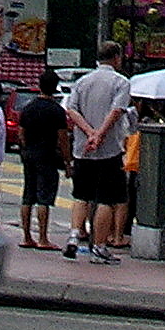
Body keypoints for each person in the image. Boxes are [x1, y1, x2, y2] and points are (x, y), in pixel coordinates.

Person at [65, 40, 133, 265]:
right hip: (109, 149)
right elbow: (117, 110)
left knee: (81, 194)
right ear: (116, 58)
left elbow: (71, 109)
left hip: (82, 148)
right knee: (107, 198)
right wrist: (100, 134)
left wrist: (88, 132)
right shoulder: (120, 82)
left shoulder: (82, 81)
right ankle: (100, 246)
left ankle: (75, 235)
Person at [18, 71, 69, 250]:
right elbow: (63, 139)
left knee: (28, 195)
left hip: (29, 154)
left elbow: (21, 132)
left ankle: (26, 236)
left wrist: (26, 148)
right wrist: (67, 163)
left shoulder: (28, 107)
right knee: (44, 198)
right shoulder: (57, 111)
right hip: (47, 155)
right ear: (55, 87)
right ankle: (43, 238)